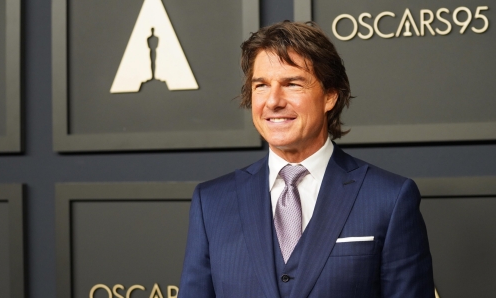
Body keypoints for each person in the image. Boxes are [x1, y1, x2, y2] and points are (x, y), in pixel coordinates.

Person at [179, 21, 434, 298]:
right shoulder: (212, 202)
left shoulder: (390, 198)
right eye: (262, 85)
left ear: (330, 96)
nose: (274, 101)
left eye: (292, 84)